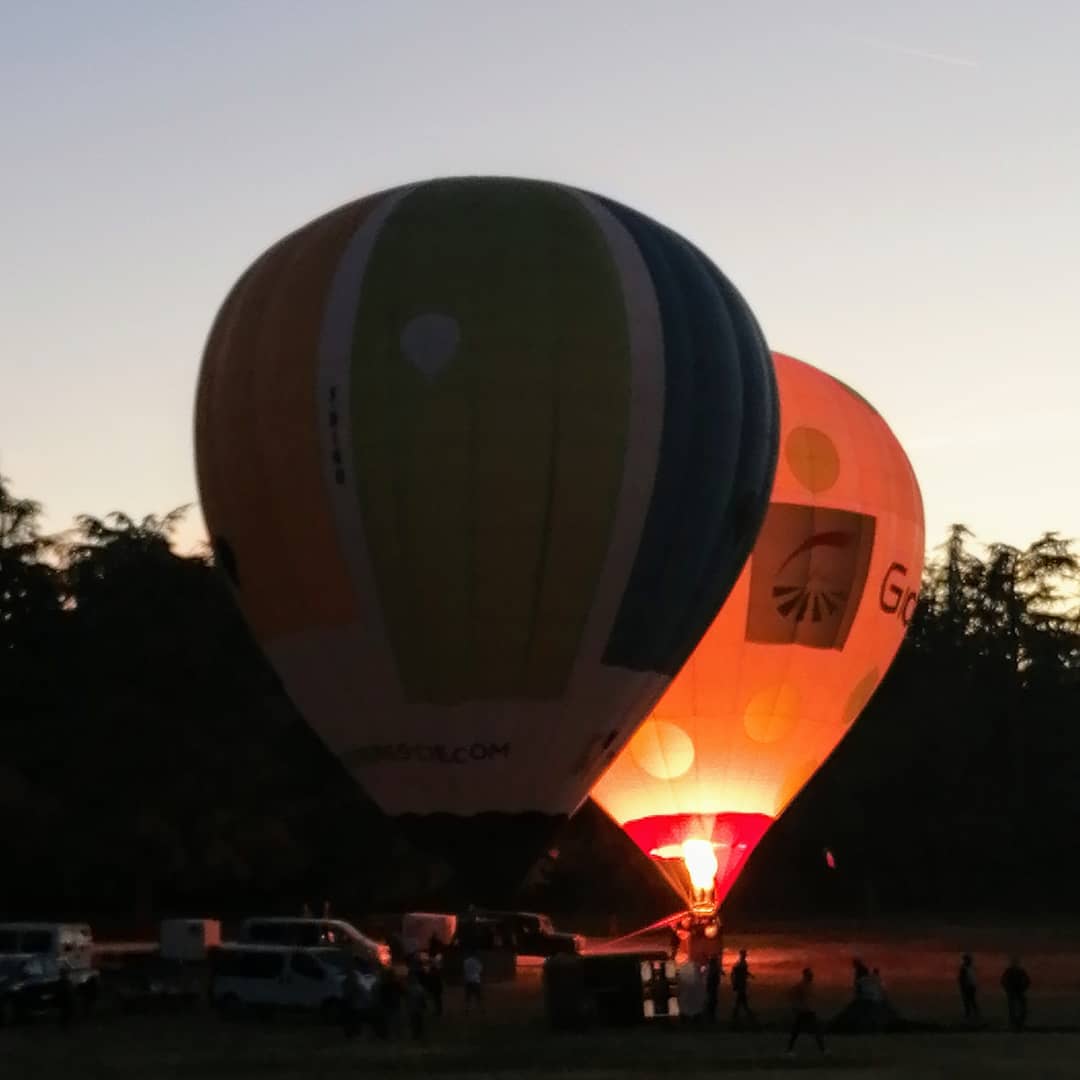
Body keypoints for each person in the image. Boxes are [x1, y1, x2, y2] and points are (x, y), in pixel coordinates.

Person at [787, 968, 825, 1056]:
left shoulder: (809, 986)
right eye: (810, 975)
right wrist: (795, 1006)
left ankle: (823, 1050)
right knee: (798, 1032)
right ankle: (789, 1050)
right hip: (803, 1012)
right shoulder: (801, 986)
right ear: (806, 976)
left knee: (815, 1031)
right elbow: (791, 994)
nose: (812, 977)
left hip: (809, 1011)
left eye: (811, 975)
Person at [1001, 957, 1030, 1032]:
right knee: (1014, 1009)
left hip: (1018, 991)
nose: (1015, 964)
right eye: (1014, 963)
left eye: (1015, 963)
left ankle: (1018, 1024)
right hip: (1014, 992)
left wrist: (1024, 988)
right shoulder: (1010, 971)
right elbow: (1003, 981)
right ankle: (1016, 1024)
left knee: (1019, 1009)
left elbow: (1027, 980)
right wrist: (1007, 989)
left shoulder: (1019, 971)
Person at [730, 949, 756, 1029]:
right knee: (741, 999)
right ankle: (743, 1013)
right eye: (744, 954)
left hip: (741, 983)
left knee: (741, 999)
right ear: (742, 955)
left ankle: (740, 1013)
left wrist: (750, 975)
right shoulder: (741, 963)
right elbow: (736, 973)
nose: (745, 956)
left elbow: (740, 972)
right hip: (741, 984)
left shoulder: (740, 963)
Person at [958, 954, 979, 1021]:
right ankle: (970, 1014)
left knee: (970, 1001)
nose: (970, 961)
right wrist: (963, 987)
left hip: (970, 987)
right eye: (968, 960)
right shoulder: (965, 969)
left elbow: (971, 978)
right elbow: (961, 979)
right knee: (969, 1001)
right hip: (968, 987)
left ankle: (972, 1014)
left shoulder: (969, 968)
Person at [705, 955, 721, 1023]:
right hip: (712, 987)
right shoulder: (713, 969)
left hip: (711, 987)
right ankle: (710, 1016)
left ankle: (710, 1015)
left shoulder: (711, 968)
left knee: (711, 1001)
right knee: (712, 1001)